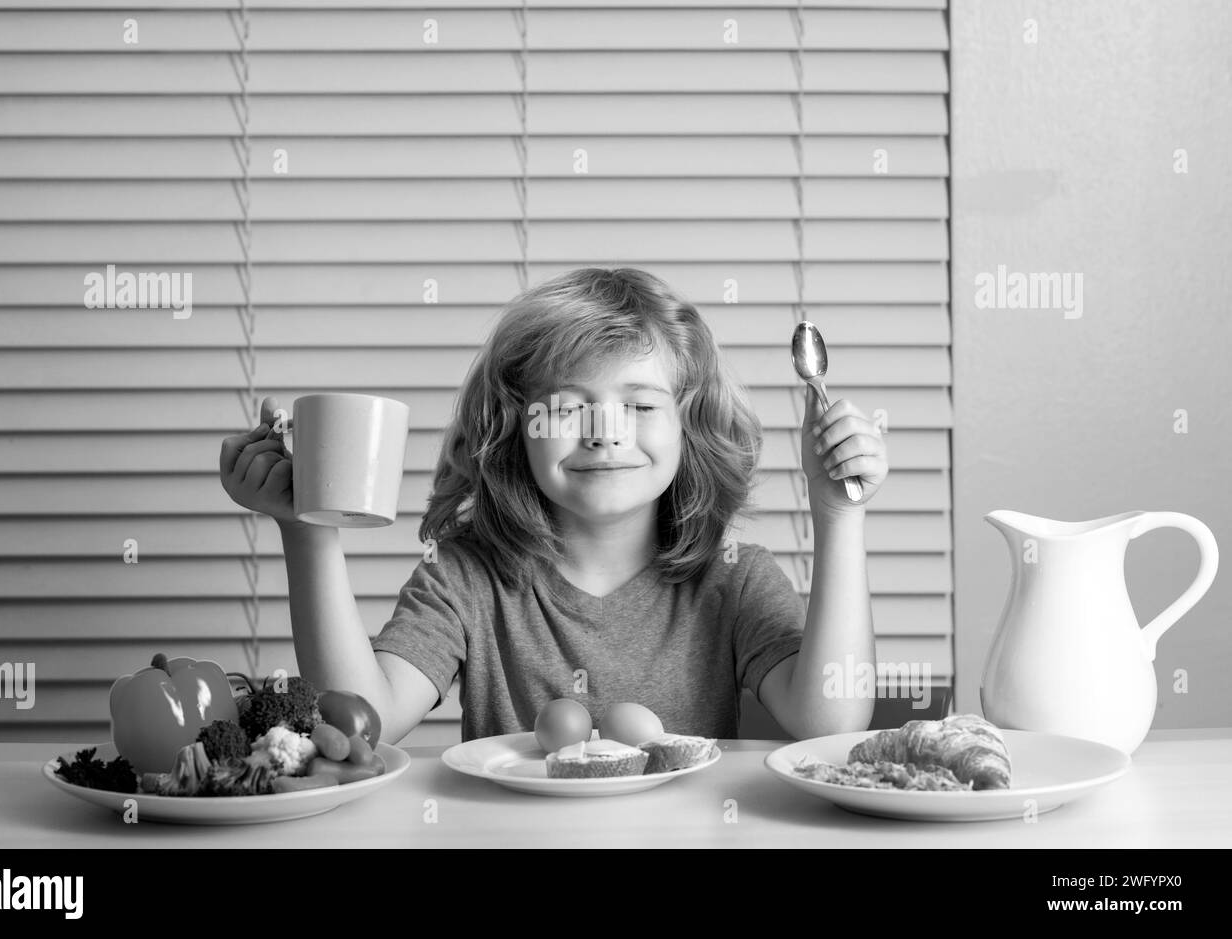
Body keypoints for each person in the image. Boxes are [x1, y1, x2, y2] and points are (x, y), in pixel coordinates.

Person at [220, 268, 887, 745]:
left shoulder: (734, 578)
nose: (604, 431)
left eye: (639, 405)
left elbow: (829, 721)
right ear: (516, 430)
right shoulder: (468, 579)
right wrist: (306, 532)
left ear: (688, 426)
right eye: (567, 406)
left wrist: (838, 515)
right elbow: (355, 720)